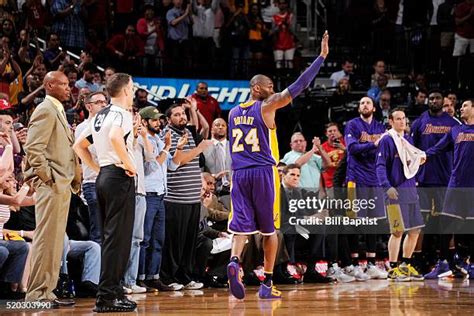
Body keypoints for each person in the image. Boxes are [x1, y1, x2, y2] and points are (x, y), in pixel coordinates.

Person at [226, 31, 328, 300]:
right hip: (262, 173)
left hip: (239, 174)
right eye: (270, 86)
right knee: (271, 231)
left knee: (240, 229)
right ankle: (267, 284)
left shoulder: (233, 112)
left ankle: (234, 261)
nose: (274, 89)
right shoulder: (266, 105)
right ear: (257, 88)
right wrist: (320, 58)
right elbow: (298, 86)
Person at [73, 73, 137, 312]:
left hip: (104, 178)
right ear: (126, 90)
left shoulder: (101, 114)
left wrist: (98, 168)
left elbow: (78, 146)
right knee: (118, 240)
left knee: (112, 239)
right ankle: (108, 296)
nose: (133, 91)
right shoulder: (122, 114)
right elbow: (114, 137)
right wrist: (129, 164)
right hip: (118, 179)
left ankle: (113, 291)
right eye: (132, 87)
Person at [23, 71, 80, 307]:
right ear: (49, 85)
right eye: (63, 84)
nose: (68, 88)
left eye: (68, 84)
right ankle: (36, 294)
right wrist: (49, 179)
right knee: (47, 239)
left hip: (61, 184)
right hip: (53, 184)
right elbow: (33, 148)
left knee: (56, 241)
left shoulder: (56, 109)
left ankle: (47, 291)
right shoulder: (45, 109)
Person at [376, 108, 425, 281]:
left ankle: (406, 265)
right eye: (398, 119)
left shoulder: (407, 139)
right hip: (395, 192)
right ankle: (393, 268)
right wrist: (386, 186)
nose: (402, 121)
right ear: (391, 121)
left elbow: (409, 164)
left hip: (411, 191)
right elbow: (380, 166)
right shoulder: (387, 140)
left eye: (404, 118)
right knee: (397, 231)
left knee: (415, 230)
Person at [74, 92, 108, 244]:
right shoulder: (83, 127)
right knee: (98, 232)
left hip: (108, 183)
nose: (103, 104)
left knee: (108, 232)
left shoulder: (108, 127)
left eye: (105, 102)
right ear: (89, 106)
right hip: (93, 182)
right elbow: (92, 150)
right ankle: (96, 267)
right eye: (99, 102)